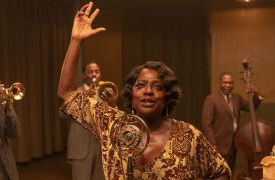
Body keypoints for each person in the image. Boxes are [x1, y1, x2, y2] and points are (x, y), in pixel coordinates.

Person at [57, 2, 231, 179]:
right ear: (131, 95)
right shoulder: (113, 126)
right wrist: (76, 41)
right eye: (140, 85)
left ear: (167, 97)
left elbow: (220, 171)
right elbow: (67, 93)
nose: (148, 91)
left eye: (157, 86)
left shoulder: (188, 136)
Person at [63, 61, 117, 180]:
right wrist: (83, 98)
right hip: (80, 147)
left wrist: (112, 104)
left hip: (101, 147)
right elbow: (62, 115)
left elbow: (113, 117)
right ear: (84, 75)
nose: (94, 74)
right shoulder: (75, 92)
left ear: (100, 74)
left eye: (96, 71)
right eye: (90, 71)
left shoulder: (106, 93)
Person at [201, 72, 263, 173]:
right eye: (225, 82)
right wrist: (213, 144)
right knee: (218, 173)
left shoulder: (237, 97)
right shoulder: (211, 99)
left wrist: (256, 93)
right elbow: (206, 124)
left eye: (230, 83)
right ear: (220, 83)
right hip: (218, 144)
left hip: (234, 143)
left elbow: (251, 107)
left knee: (230, 171)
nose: (228, 85)